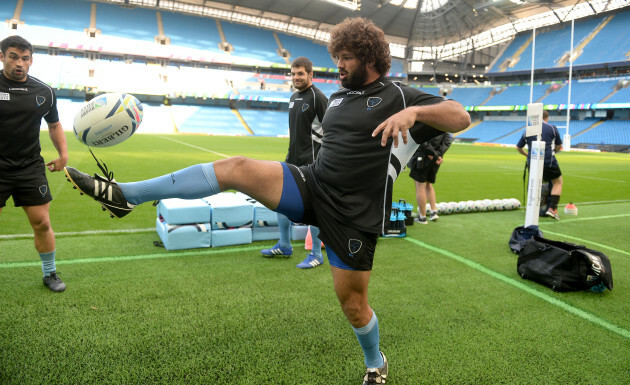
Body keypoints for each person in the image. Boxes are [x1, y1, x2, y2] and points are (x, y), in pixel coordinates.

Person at [64, 17, 470, 384]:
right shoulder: (341, 97)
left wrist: (415, 115)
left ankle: (374, 363)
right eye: (337, 58)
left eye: (345, 58)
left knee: (353, 305)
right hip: (311, 183)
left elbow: (460, 115)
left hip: (353, 214)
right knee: (237, 166)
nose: (339, 66)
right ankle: (125, 196)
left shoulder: (400, 95)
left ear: (369, 58)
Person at [0, 35, 68, 292]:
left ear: (31, 60)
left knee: (41, 222)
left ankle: (50, 273)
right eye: (14, 56)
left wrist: (63, 155)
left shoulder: (44, 92)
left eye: (25, 58)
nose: (20, 63)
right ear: (2, 56)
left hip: (30, 167)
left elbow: (54, 125)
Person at [260, 56, 327, 269]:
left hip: (313, 164)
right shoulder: (292, 97)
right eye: (293, 73)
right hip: (292, 160)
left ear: (310, 75)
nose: (296, 77)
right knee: (281, 201)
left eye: (301, 73)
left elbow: (331, 131)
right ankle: (284, 244)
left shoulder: (318, 98)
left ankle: (316, 253)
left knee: (314, 208)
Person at [516, 110, 563, 220]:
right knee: (557, 182)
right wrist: (554, 151)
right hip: (548, 160)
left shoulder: (529, 129)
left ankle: (533, 208)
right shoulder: (552, 128)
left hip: (532, 161)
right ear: (547, 118)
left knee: (535, 183)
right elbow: (558, 146)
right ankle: (552, 208)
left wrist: (527, 154)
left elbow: (518, 147)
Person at [408, 132, 452, 224]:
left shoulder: (428, 123)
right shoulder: (444, 126)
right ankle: (433, 212)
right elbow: (447, 141)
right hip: (436, 161)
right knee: (428, 184)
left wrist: (434, 155)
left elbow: (423, 141)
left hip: (423, 158)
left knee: (420, 187)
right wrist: (438, 156)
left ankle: (422, 217)